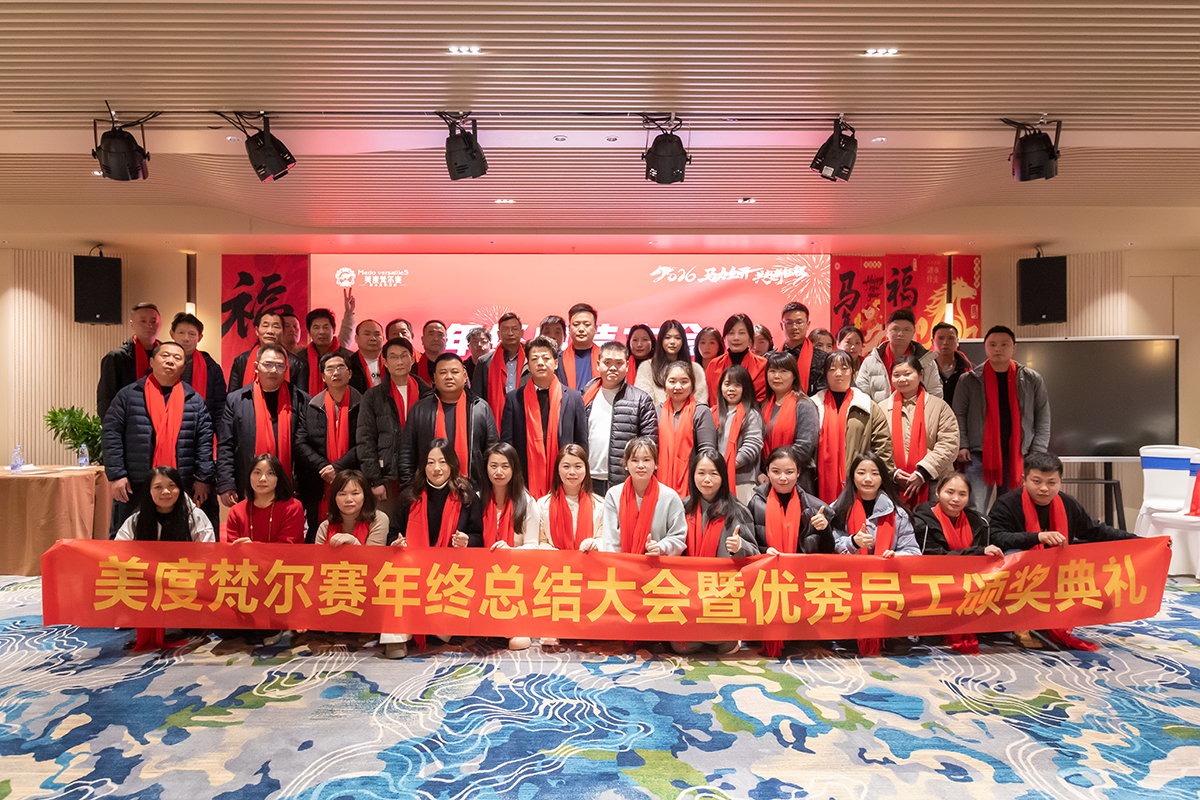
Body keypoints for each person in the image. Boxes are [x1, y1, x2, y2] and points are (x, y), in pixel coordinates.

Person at [987, 451, 1138, 651]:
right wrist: (1037, 537)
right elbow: (996, 537)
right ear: (1024, 480)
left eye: (1051, 482)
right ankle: (1020, 627)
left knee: (1094, 563)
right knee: (1013, 556)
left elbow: (1094, 530)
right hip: (1021, 569)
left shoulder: (1068, 503)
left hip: (1057, 566)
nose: (1044, 488)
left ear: (1060, 482)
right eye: (1036, 481)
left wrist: (1139, 541)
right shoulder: (1007, 503)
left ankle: (1054, 618)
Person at [101, 341, 214, 536]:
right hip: (135, 483)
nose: (170, 361)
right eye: (165, 356)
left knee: (179, 537)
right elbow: (111, 435)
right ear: (152, 362)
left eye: (177, 358)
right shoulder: (128, 396)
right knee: (129, 537)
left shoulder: (194, 400)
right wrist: (117, 475)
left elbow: (204, 441)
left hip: (179, 484)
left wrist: (202, 478)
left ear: (183, 367)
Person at [384, 438, 483, 658]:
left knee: (444, 633)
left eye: (442, 462)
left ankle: (435, 628)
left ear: (452, 464)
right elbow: (393, 533)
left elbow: (480, 537)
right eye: (430, 462)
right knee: (400, 566)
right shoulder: (409, 496)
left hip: (451, 570)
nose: (436, 468)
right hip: (416, 568)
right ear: (423, 466)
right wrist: (396, 543)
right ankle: (396, 638)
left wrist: (468, 540)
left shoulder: (467, 496)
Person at [952, 325, 1051, 512]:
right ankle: (980, 534)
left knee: (1012, 508)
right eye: (993, 344)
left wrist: (1038, 451)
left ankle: (1005, 533)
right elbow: (958, 414)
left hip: (1019, 454)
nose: (998, 348)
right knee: (975, 507)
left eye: (1004, 344)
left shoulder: (1032, 379)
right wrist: (962, 444)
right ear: (985, 348)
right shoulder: (969, 380)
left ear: (1014, 347)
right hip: (978, 455)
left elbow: (1042, 416)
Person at [115, 465, 215, 651]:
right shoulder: (137, 520)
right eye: (158, 487)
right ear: (149, 491)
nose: (166, 492)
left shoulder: (195, 517)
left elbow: (208, 556)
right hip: (149, 582)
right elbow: (117, 553)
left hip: (185, 581)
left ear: (180, 488)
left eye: (171, 486)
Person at [831, 451, 920, 656]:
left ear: (883, 478)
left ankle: (890, 633)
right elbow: (828, 547)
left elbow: (913, 551)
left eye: (874, 473)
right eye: (861, 472)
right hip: (849, 582)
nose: (868, 479)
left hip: (885, 582)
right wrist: (852, 543)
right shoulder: (837, 508)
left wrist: (895, 557)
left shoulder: (898, 513)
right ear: (852, 476)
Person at [672, 449, 759, 656]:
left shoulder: (738, 511)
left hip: (723, 595)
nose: (707, 480)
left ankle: (720, 636)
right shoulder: (682, 508)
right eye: (701, 473)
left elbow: (756, 554)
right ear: (693, 475)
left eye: (713, 473)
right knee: (680, 647)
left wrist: (740, 547)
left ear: (723, 477)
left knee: (724, 645)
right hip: (689, 592)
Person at [911, 472, 1001, 654]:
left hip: (970, 586)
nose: (955, 499)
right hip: (935, 584)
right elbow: (934, 558)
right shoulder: (922, 521)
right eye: (950, 492)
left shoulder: (980, 523)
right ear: (937, 493)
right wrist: (977, 552)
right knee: (932, 638)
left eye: (962, 494)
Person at [216, 343, 311, 507]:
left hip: (291, 487)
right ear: (256, 367)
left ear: (286, 369)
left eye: (279, 366)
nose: (273, 370)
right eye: (268, 364)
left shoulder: (301, 400)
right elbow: (226, 445)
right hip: (247, 484)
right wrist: (226, 483)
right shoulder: (236, 400)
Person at [501, 336, 588, 497]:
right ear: (528, 365)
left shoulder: (574, 398)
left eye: (546, 358)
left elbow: (581, 442)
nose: (540, 363)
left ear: (556, 363)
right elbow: (508, 443)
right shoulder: (514, 399)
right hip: (524, 478)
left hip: (565, 477)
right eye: (534, 359)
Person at [356, 337, 433, 518]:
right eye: (393, 357)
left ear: (412, 359)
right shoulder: (373, 396)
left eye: (404, 356)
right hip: (387, 477)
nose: (399, 362)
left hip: (422, 475)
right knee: (387, 527)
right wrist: (374, 480)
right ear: (384, 362)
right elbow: (365, 440)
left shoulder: (427, 394)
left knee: (419, 526)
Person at [397, 353, 498, 489]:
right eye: (443, 372)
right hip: (428, 491)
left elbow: (492, 452)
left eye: (454, 372)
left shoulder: (480, 408)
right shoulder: (419, 410)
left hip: (472, 488)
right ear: (434, 378)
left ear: (464, 375)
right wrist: (409, 489)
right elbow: (407, 453)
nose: (449, 377)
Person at [479, 443, 539, 651]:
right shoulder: (477, 500)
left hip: (516, 577)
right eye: (493, 466)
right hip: (482, 577)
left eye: (505, 466)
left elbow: (533, 546)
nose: (499, 472)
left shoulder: (527, 502)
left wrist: (510, 552)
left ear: (514, 469)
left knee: (517, 642)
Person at [810, 351, 892, 505]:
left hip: (860, 482)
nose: (838, 373)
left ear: (854, 372)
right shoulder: (812, 405)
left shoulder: (867, 406)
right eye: (832, 369)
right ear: (825, 374)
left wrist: (877, 479)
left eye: (844, 368)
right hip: (818, 483)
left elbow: (883, 446)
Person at [296, 352, 362, 538]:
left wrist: (338, 467)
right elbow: (300, 442)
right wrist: (324, 467)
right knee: (317, 532)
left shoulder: (363, 404)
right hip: (318, 481)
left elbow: (365, 442)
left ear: (349, 373)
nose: (336, 372)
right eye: (330, 369)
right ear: (323, 376)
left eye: (341, 367)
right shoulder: (311, 406)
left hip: (354, 478)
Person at [880, 355, 960, 507]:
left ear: (921, 375)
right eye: (896, 375)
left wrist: (923, 472)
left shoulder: (940, 407)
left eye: (907, 374)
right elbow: (876, 446)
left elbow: (949, 444)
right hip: (893, 483)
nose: (902, 379)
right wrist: (892, 472)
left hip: (934, 481)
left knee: (929, 520)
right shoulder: (881, 409)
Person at [582, 341, 657, 496]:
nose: (613, 368)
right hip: (587, 477)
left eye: (619, 363)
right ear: (598, 364)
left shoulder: (641, 400)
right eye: (607, 362)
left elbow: (650, 445)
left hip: (624, 480)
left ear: (627, 366)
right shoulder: (584, 396)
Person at [601, 437, 687, 555]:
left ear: (655, 464)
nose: (641, 465)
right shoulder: (613, 495)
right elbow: (609, 541)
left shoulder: (670, 497)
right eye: (635, 460)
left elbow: (679, 536)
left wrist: (660, 547)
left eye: (646, 460)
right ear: (626, 464)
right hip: (621, 563)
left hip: (656, 564)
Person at [748, 447, 833, 557]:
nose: (783, 478)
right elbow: (748, 544)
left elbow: (828, 551)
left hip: (802, 567)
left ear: (798, 473)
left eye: (789, 472)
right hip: (768, 566)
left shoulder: (814, 508)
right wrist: (764, 551)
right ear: (768, 472)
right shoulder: (756, 504)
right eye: (776, 471)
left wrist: (825, 529)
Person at [760, 352, 820, 495]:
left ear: (794, 375)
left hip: (798, 479)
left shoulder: (804, 405)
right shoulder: (764, 405)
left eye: (783, 371)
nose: (777, 376)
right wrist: (765, 472)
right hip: (768, 478)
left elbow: (805, 446)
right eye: (772, 371)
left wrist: (777, 469)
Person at [656, 362, 718, 496]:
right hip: (658, 483)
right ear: (665, 384)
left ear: (692, 385)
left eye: (684, 381)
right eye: (672, 381)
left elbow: (707, 452)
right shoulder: (656, 412)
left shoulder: (701, 412)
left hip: (692, 485)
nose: (678, 386)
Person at [856, 308, 943, 403]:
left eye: (906, 329)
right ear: (887, 332)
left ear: (913, 332)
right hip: (879, 412)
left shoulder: (927, 362)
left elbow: (935, 394)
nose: (900, 334)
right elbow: (861, 396)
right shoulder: (871, 362)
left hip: (918, 411)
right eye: (895, 329)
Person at [536, 443, 606, 551]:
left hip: (589, 560)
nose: (572, 472)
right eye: (566, 466)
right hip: (554, 561)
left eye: (578, 466)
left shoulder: (600, 504)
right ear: (558, 470)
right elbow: (541, 541)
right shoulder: (542, 504)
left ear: (586, 469)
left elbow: (604, 539)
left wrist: (595, 544)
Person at [98, 302, 161, 418]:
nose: (149, 325)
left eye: (153, 321)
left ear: (160, 324)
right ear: (132, 324)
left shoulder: (167, 356)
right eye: (143, 321)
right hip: (128, 423)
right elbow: (106, 400)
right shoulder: (117, 358)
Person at [225, 454, 306, 544]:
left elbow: (287, 548)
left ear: (278, 478)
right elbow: (234, 548)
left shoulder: (292, 508)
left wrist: (252, 547)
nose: (262, 479)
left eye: (270, 473)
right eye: (257, 472)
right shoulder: (236, 511)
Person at [713, 365, 764, 503]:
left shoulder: (751, 415)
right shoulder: (712, 413)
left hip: (742, 482)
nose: (731, 389)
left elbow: (752, 445)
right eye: (727, 384)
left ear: (745, 388)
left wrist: (727, 466)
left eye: (737, 385)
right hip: (715, 479)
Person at [227, 310, 305, 393]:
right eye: (265, 326)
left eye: (276, 327)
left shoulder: (298, 364)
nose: (270, 331)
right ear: (257, 331)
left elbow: (300, 398)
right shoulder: (241, 360)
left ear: (283, 332)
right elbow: (233, 397)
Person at [635, 319, 708, 407]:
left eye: (677, 338)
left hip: (690, 415)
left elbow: (701, 400)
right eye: (667, 337)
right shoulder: (646, 367)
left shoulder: (695, 369)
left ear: (683, 341)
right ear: (661, 340)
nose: (672, 342)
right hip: (656, 415)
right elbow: (643, 400)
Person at [171, 312, 226, 426]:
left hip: (201, 428)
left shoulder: (211, 368)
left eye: (191, 334)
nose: (186, 339)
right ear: (172, 334)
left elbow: (220, 406)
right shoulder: (161, 365)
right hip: (168, 424)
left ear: (199, 337)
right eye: (181, 333)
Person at [473, 312, 526, 427]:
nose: (510, 333)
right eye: (505, 329)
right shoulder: (484, 362)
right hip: (494, 421)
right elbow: (477, 398)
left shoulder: (531, 359)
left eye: (514, 329)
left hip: (525, 419)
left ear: (522, 332)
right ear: (498, 334)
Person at [705, 314, 767, 405]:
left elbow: (764, 399)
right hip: (717, 413)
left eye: (742, 333)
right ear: (725, 338)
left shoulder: (763, 365)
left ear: (750, 338)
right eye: (731, 333)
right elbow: (707, 398)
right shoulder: (714, 365)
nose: (736, 338)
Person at [315, 470, 388, 546]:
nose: (349, 499)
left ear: (365, 496)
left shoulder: (378, 519)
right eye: (342, 494)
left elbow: (375, 553)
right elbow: (318, 553)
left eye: (355, 493)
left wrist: (353, 542)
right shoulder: (325, 526)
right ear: (334, 498)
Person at [302, 308, 355, 397]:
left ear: (334, 330)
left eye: (326, 327)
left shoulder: (349, 358)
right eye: (316, 327)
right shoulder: (301, 360)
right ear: (309, 332)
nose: (321, 332)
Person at [778, 302, 828, 395]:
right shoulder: (771, 358)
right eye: (789, 323)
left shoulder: (822, 358)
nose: (794, 327)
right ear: (782, 326)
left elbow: (822, 393)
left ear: (807, 324)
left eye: (799, 322)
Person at [557, 303, 602, 390]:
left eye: (587, 325)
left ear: (595, 329)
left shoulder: (605, 357)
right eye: (576, 324)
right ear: (569, 328)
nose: (581, 329)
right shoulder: (559, 359)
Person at [931, 322, 972, 407]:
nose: (945, 342)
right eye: (941, 338)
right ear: (932, 342)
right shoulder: (924, 368)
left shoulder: (968, 370)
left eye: (950, 338)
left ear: (957, 342)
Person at [348, 318, 386, 391]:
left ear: (383, 338)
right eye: (367, 334)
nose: (373, 338)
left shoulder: (391, 362)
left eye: (377, 334)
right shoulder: (349, 365)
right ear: (357, 338)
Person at [415, 319, 448, 384]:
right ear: (423, 340)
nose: (436, 339)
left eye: (440, 335)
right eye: (431, 334)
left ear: (446, 340)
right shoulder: (412, 370)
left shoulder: (456, 369)